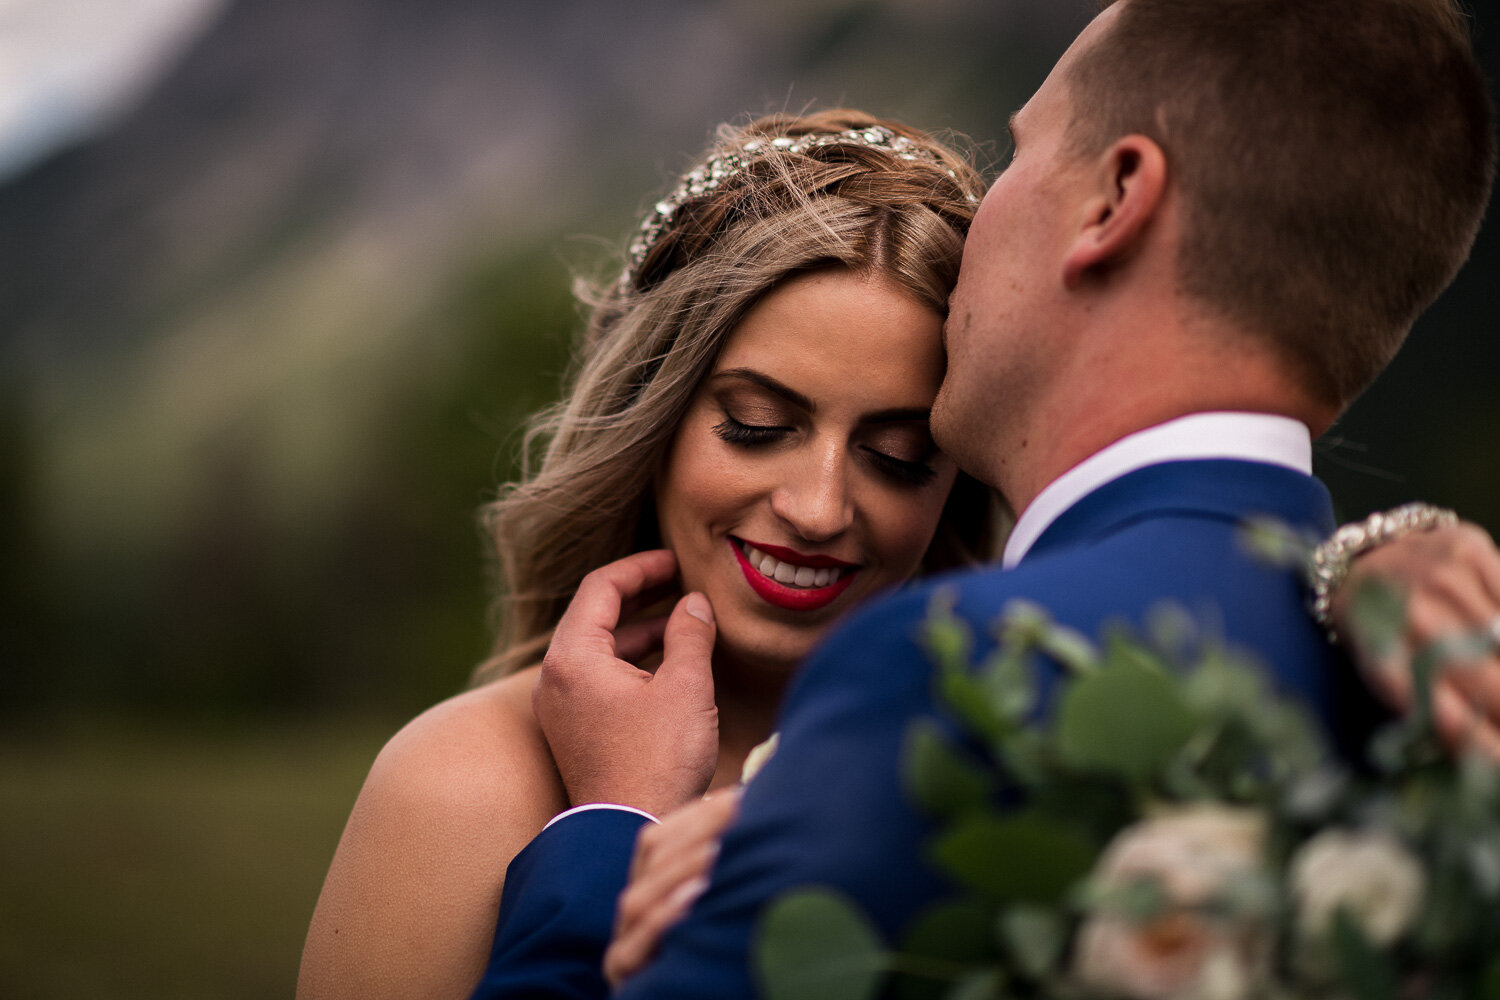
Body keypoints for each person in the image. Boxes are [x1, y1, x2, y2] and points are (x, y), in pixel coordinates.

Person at [470, 0, 1497, 998]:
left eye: (1019, 152)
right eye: (756, 423)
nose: (821, 507)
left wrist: (609, 824)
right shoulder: (1428, 678)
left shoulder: (947, 677)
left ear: (1115, 198)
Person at [296, 109, 1005, 1000]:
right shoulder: (458, 787)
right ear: (654, 417)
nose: (819, 509)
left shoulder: (1010, 765)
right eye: (757, 427)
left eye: (898, 458)